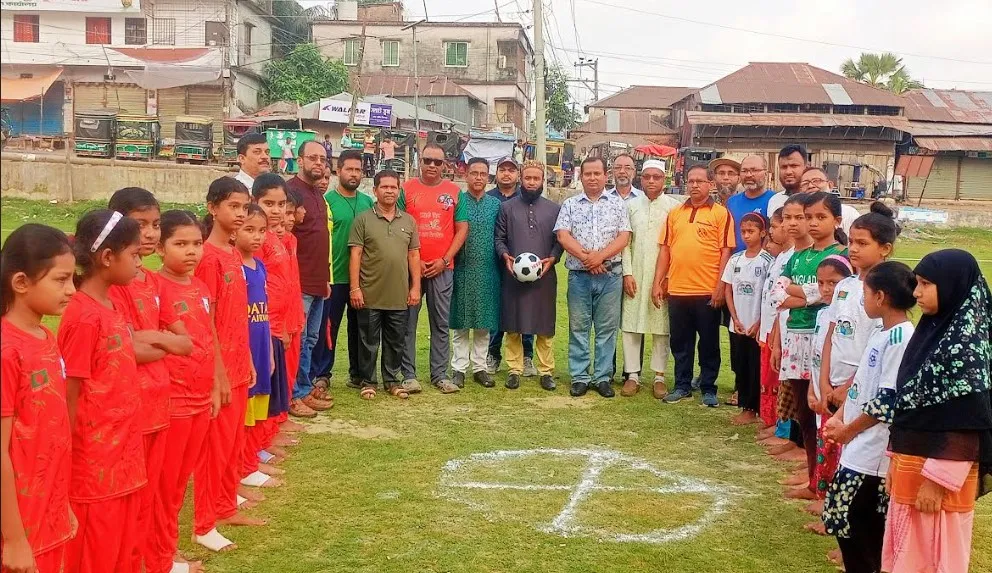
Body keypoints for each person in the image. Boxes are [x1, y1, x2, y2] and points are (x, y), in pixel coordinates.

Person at [882, 250, 992, 573]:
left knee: (934, 556)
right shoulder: (932, 330)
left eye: (926, 284)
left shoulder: (967, 346)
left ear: (953, 286)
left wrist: (938, 481)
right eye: (917, 283)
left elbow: (971, 419)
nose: (916, 292)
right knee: (905, 549)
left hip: (939, 480)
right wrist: (894, 457)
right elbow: (908, 402)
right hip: (910, 464)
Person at [107, 188, 193, 573]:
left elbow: (185, 340)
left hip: (160, 403)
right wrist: (164, 343)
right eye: (139, 224)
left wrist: (156, 341)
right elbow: (127, 348)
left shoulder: (149, 282)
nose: (149, 233)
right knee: (131, 499)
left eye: (155, 224)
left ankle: (155, 558)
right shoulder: (114, 283)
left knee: (158, 492)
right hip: (130, 409)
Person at [58, 210, 147, 572]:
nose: (141, 263)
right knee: (95, 551)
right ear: (108, 257)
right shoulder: (82, 316)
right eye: (135, 254)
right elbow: (69, 394)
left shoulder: (110, 304)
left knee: (121, 548)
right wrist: (69, 460)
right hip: (94, 464)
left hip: (122, 452)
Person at [822, 262, 917, 573]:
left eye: (865, 293)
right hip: (859, 444)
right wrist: (840, 417)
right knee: (843, 521)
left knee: (856, 525)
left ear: (880, 296)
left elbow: (888, 401)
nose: (862, 299)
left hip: (873, 453)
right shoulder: (884, 332)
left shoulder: (901, 338)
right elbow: (862, 387)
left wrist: (848, 430)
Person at [193, 178, 263, 555]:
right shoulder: (207, 258)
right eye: (233, 207)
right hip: (219, 371)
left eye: (243, 206)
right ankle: (203, 524)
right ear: (212, 208)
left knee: (232, 442)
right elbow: (209, 321)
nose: (239, 214)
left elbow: (236, 317)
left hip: (239, 364)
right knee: (213, 450)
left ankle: (224, 503)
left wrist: (248, 358)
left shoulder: (233, 253)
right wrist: (218, 372)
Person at [0, 225, 75, 573]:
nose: (71, 290)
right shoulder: (6, 351)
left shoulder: (45, 335)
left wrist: (63, 504)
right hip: (19, 515)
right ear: (20, 283)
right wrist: (14, 539)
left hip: (49, 501)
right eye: (60, 280)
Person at [151, 210, 218, 573]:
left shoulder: (200, 288)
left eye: (196, 244)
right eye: (180, 244)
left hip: (198, 395)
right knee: (167, 484)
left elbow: (208, 336)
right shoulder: (154, 287)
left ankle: (167, 550)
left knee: (179, 483)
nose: (191, 251)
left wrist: (213, 383)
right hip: (173, 401)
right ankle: (162, 557)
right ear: (160, 248)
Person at [774, 192, 848, 502]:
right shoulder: (796, 256)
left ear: (836, 221)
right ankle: (812, 479)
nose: (812, 223)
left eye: (820, 217)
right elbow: (778, 294)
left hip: (825, 341)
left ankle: (827, 485)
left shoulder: (840, 255)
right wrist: (808, 295)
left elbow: (832, 294)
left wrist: (802, 295)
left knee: (825, 414)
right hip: (795, 336)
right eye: (808, 217)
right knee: (805, 415)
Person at [652, 165, 735, 407]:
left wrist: (720, 286)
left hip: (707, 291)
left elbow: (726, 251)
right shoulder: (675, 213)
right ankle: (682, 385)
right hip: (677, 290)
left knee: (709, 343)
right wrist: (658, 282)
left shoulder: (720, 214)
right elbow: (665, 250)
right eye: (691, 181)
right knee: (681, 342)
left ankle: (709, 387)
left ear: (711, 184)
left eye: (700, 181)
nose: (695, 185)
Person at [555, 157, 632, 398]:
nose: (592, 178)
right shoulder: (569, 204)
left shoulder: (618, 204)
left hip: (611, 276)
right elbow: (563, 236)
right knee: (579, 327)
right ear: (581, 176)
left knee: (606, 329)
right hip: (579, 276)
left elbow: (623, 237)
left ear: (605, 175)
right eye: (587, 174)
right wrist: (588, 259)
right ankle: (580, 376)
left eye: (597, 173)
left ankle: (602, 377)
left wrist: (600, 258)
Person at [398, 144, 469, 394]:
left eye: (437, 162)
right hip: (411, 269)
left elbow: (462, 229)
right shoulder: (405, 190)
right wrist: (412, 262)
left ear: (445, 165)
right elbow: (397, 226)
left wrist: (444, 259)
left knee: (440, 323)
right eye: (427, 160)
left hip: (443, 268)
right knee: (408, 322)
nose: (431, 165)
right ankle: (407, 374)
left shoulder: (454, 192)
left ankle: (439, 374)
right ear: (420, 161)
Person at [348, 170, 421, 400]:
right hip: (369, 293)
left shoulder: (408, 221)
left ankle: (391, 380)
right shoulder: (363, 219)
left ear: (398, 191)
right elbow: (356, 255)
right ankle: (368, 382)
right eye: (384, 187)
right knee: (368, 341)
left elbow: (414, 256)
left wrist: (415, 287)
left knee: (395, 340)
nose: (389, 191)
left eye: (393, 187)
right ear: (375, 190)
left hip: (399, 294)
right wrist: (355, 288)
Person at [495, 160, 563, 391]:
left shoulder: (554, 209)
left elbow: (559, 241)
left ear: (543, 181)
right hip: (513, 277)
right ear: (521, 179)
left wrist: (552, 259)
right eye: (528, 178)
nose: (532, 182)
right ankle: (514, 369)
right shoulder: (506, 208)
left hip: (544, 277)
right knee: (513, 323)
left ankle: (546, 371)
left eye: (536, 178)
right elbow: (499, 239)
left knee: (544, 324)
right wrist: (506, 257)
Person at [310, 150, 374, 393]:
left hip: (364, 278)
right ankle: (322, 374)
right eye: (349, 169)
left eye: (358, 170)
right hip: (334, 276)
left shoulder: (368, 203)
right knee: (329, 327)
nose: (354, 174)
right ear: (339, 171)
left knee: (361, 328)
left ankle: (358, 374)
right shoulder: (326, 202)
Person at [619, 159, 683, 398]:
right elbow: (625, 243)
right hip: (635, 272)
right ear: (641, 179)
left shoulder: (674, 208)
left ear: (664, 179)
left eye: (657, 177)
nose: (652, 181)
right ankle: (632, 375)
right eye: (647, 177)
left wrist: (666, 278)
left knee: (661, 326)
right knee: (631, 324)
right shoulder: (631, 206)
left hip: (662, 275)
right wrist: (627, 273)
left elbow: (675, 245)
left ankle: (659, 376)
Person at [234, 205, 282, 494]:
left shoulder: (259, 266)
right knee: (244, 412)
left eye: (262, 231)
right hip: (245, 349)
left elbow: (261, 310)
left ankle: (251, 459)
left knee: (258, 407)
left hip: (263, 345)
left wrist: (270, 353)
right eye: (249, 230)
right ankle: (243, 466)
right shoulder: (234, 267)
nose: (257, 237)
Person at [250, 175, 297, 461]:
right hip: (264, 323)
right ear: (255, 202)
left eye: (281, 204)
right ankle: (256, 447)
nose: (277, 210)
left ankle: (265, 439)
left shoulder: (275, 238)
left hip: (278, 321)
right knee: (261, 386)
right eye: (269, 203)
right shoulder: (259, 240)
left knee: (272, 385)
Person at [806, 255, 853, 533]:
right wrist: (816, 387)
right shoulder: (823, 314)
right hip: (824, 387)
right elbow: (819, 354)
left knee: (840, 454)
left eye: (833, 283)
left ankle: (834, 510)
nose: (826, 289)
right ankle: (825, 501)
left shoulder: (847, 310)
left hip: (841, 391)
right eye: (821, 283)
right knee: (827, 449)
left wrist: (837, 387)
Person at [287, 140, 334, 416]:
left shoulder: (318, 194)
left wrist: (326, 279)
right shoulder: (291, 192)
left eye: (323, 159)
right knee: (299, 338)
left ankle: (303, 388)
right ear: (300, 160)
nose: (318, 163)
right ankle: (295, 393)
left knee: (311, 339)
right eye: (313, 158)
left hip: (318, 281)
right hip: (298, 281)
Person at [450, 158, 501, 388]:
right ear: (466, 175)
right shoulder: (457, 201)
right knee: (461, 321)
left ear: (488, 177)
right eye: (474, 173)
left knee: (483, 323)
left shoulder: (495, 205)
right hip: (461, 268)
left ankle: (480, 368)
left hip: (488, 269)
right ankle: (458, 368)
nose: (478, 177)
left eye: (483, 173)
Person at [721, 213, 774, 424]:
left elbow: (769, 294)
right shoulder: (736, 260)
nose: (746, 235)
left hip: (756, 327)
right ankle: (744, 403)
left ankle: (754, 408)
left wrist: (759, 323)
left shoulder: (767, 261)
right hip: (739, 325)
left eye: (751, 231)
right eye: (743, 231)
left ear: (762, 233)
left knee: (755, 367)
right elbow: (728, 290)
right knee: (740, 365)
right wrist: (734, 318)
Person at [486, 157, 536, 376]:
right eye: (502, 170)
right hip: (494, 263)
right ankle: (493, 354)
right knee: (496, 311)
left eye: (511, 170)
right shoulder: (488, 199)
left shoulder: (526, 198)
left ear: (518, 175)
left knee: (525, 310)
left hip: (524, 265)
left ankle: (527, 356)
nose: (507, 174)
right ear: (496, 173)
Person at [726, 155, 776, 253]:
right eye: (744, 171)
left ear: (766, 174)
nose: (749, 175)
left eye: (754, 170)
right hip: (736, 262)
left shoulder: (775, 200)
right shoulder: (731, 202)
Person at [800, 167, 861, 235]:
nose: (811, 186)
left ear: (830, 185)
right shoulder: (795, 214)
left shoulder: (848, 213)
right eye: (805, 183)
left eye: (816, 181)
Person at [766, 144, 809, 215]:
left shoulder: (818, 201)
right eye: (784, 167)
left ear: (806, 168)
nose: (788, 172)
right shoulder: (775, 200)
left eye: (794, 166)